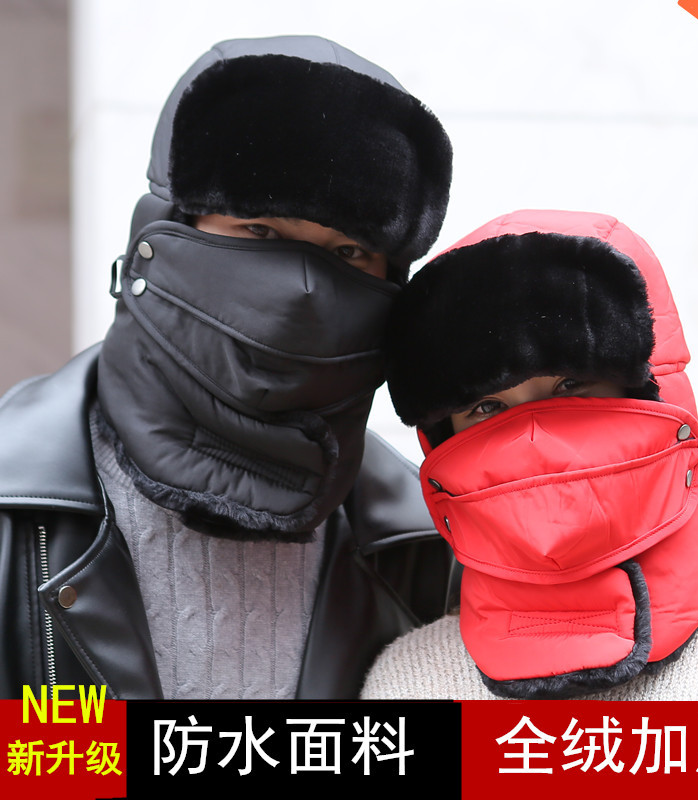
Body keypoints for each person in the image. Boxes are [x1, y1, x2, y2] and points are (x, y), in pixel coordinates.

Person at [0, 35, 456, 700]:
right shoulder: (12, 500)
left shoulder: (425, 544)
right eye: (259, 230)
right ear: (163, 233)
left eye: (348, 253)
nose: (301, 293)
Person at [361, 209, 698, 701]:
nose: (534, 441)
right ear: (441, 438)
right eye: (487, 407)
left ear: (654, 395)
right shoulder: (409, 679)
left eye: (571, 385)